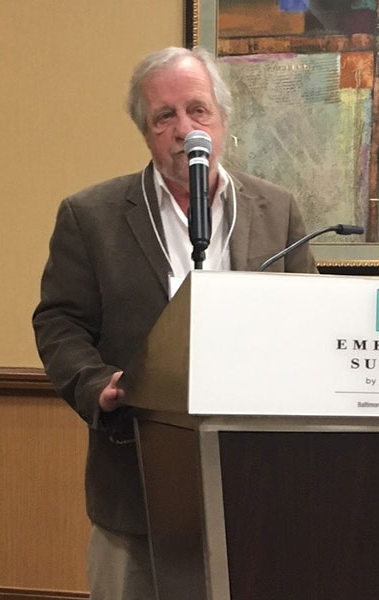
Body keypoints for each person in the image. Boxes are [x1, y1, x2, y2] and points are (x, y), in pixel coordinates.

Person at [33, 46, 316, 600]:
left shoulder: (277, 209)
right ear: (145, 132)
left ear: (223, 119)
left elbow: (308, 319)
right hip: (135, 488)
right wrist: (96, 384)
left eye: (197, 110)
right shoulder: (90, 216)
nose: (185, 130)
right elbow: (59, 322)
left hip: (259, 488)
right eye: (165, 116)